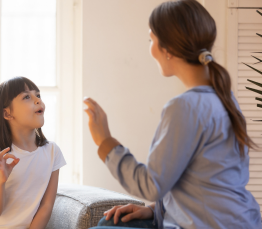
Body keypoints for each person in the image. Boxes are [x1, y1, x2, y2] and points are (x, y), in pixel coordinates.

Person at [83, 0, 261, 228]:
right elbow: (206, 182)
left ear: (167, 50)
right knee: (110, 224)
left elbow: (150, 186)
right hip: (239, 221)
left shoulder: (185, 107)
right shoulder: (226, 98)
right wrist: (152, 209)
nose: (150, 48)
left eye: (151, 39)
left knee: (106, 226)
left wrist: (105, 142)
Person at [0, 76, 67, 229]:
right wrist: (1, 179)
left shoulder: (52, 152)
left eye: (38, 95)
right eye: (26, 97)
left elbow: (46, 207)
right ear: (7, 114)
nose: (37, 100)